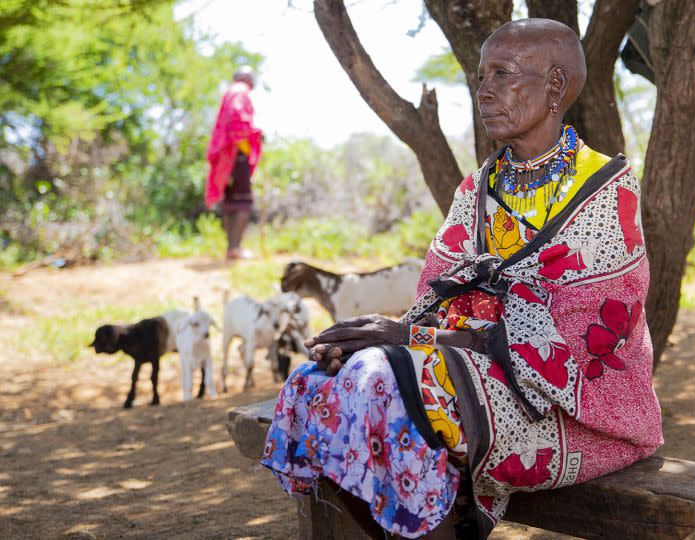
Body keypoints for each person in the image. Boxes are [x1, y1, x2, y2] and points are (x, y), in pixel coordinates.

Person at [260, 19, 662, 539]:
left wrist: (407, 340)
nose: (484, 90)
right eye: (481, 76)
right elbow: (438, 303)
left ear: (555, 86)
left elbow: (568, 356)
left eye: (503, 74)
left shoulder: (605, 192)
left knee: (387, 384)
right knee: (324, 380)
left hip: (578, 413)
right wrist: (375, 341)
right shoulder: (477, 191)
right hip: (479, 371)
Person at [205, 66, 262, 260]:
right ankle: (236, 249)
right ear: (246, 78)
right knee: (244, 203)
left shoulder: (229, 92)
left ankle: (231, 249)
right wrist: (254, 132)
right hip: (236, 153)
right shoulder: (240, 91)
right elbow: (237, 118)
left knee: (231, 203)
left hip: (226, 157)